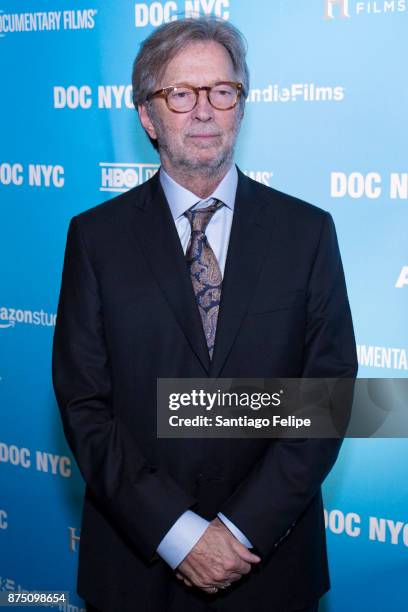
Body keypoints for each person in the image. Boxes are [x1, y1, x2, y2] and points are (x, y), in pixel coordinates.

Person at [52, 16, 358, 612]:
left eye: (222, 91)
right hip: (137, 568)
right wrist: (180, 535)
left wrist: (239, 532)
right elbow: (85, 404)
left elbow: (327, 396)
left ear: (240, 107)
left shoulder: (307, 233)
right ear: (147, 115)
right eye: (180, 94)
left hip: (271, 564)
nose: (204, 111)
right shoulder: (96, 239)